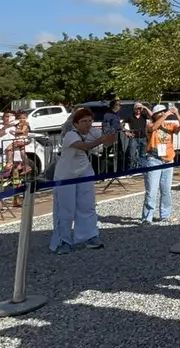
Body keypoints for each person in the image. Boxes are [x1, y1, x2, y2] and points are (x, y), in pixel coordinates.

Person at [50, 108, 116, 255]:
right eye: (83, 121)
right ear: (75, 123)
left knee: (87, 206)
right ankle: (63, 241)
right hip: (66, 174)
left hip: (84, 170)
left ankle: (89, 236)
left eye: (89, 120)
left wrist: (112, 133)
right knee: (65, 209)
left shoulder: (93, 132)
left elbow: (109, 142)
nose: (87, 124)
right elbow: (84, 146)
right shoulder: (70, 135)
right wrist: (101, 139)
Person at [142, 105, 180, 224]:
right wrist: (166, 114)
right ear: (154, 115)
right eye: (159, 113)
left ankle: (165, 215)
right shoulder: (150, 125)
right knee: (152, 190)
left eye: (163, 112)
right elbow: (153, 127)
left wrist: (177, 114)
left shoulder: (169, 125)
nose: (162, 114)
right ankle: (147, 218)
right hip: (154, 159)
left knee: (166, 190)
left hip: (168, 160)